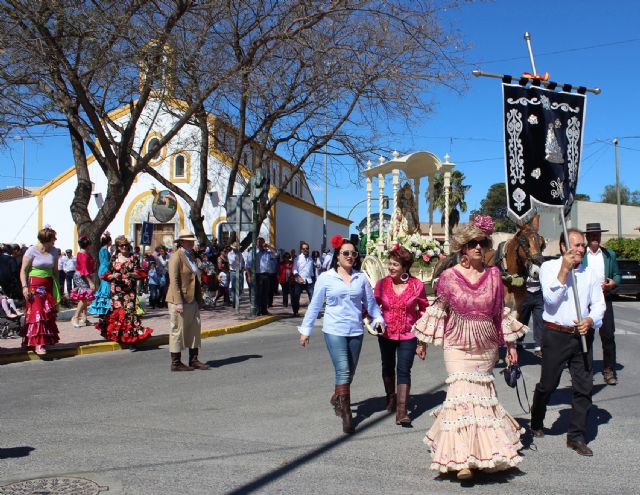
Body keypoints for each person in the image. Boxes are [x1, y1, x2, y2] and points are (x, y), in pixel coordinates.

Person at [412, 218, 527, 480]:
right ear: (462, 248)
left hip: (486, 346)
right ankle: (461, 460)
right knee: (460, 398)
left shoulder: (494, 276)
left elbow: (499, 314)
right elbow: (439, 310)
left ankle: (480, 456)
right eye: (472, 243)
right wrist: (422, 341)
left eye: (481, 242)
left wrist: (511, 345)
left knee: (481, 402)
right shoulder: (449, 277)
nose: (478, 247)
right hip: (457, 346)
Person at [530, 228, 606, 457]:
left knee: (584, 387)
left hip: (581, 335)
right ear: (564, 247)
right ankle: (537, 418)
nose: (581, 249)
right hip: (555, 335)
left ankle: (576, 436)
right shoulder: (548, 268)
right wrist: (564, 269)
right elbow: (551, 300)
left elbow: (599, 304)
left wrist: (591, 320)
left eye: (583, 245)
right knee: (548, 385)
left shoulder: (590, 273)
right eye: (577, 245)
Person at [298, 235, 383, 434]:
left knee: (350, 371)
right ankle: (346, 415)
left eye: (353, 253)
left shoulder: (361, 278)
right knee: (343, 369)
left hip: (355, 330)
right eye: (346, 253)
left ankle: (337, 396)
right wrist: (305, 330)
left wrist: (378, 318)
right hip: (334, 329)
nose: (350, 256)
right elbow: (315, 305)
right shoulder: (326, 278)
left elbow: (370, 304)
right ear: (337, 256)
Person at [374, 245, 429, 426]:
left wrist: (422, 340)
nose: (390, 267)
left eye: (395, 264)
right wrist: (371, 321)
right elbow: (373, 307)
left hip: (409, 334)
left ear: (405, 267)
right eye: (389, 263)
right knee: (387, 366)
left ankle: (402, 411)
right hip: (386, 334)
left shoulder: (416, 285)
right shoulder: (382, 284)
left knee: (404, 370)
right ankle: (391, 397)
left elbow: (424, 311)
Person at [582, 222, 620, 385]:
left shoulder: (609, 254)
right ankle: (585, 371)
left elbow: (618, 275)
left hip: (604, 299)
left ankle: (609, 370)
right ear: (587, 237)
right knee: (585, 336)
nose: (595, 237)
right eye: (592, 235)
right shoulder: (581, 254)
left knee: (608, 336)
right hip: (586, 301)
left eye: (598, 234)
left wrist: (613, 283)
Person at [166, 229, 209, 371]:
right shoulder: (176, 257)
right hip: (180, 299)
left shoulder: (190, 255)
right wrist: (178, 302)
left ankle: (194, 359)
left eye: (192, 240)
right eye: (189, 240)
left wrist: (199, 298)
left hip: (192, 299)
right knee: (177, 331)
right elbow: (174, 281)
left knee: (194, 329)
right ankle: (176, 362)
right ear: (182, 242)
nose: (192, 243)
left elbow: (195, 277)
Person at [96, 235, 153, 345]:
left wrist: (132, 274)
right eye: (122, 246)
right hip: (116, 290)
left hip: (129, 290)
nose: (124, 247)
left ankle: (131, 339)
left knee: (129, 312)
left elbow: (141, 274)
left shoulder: (133, 258)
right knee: (118, 313)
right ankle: (119, 336)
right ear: (118, 247)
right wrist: (113, 276)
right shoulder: (114, 258)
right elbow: (107, 275)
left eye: (126, 245)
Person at [20, 226, 61, 355]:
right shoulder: (31, 251)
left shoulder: (54, 251)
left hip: (48, 284)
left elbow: (55, 270)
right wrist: (24, 287)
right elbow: (23, 270)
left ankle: (31, 340)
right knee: (36, 313)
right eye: (53, 238)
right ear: (46, 239)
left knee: (46, 312)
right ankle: (38, 344)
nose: (55, 240)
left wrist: (57, 286)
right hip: (34, 286)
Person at [70, 235, 96, 327]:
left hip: (82, 276)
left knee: (84, 298)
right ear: (88, 245)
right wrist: (90, 282)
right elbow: (84, 271)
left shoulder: (83, 253)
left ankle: (84, 318)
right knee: (84, 297)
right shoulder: (83, 255)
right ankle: (75, 317)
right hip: (82, 277)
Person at [246, 237, 276, 316]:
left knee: (265, 293)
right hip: (257, 275)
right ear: (256, 243)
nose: (260, 244)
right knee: (258, 293)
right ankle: (257, 310)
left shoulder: (268, 252)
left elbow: (276, 253)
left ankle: (264, 310)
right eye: (259, 242)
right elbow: (248, 265)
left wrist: (268, 246)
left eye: (262, 242)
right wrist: (249, 276)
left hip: (266, 275)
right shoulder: (253, 252)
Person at [88, 233, 112, 317]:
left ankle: (104, 308)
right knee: (106, 288)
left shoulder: (103, 249)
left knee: (104, 287)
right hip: (105, 269)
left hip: (103, 268)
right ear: (109, 241)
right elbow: (106, 262)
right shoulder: (104, 250)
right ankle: (104, 308)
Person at [292, 241, 314, 316]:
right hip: (299, 280)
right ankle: (295, 311)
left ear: (308, 249)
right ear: (301, 250)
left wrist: (314, 279)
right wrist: (298, 277)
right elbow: (294, 269)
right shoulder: (297, 258)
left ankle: (312, 312)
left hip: (309, 280)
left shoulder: (311, 259)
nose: (305, 250)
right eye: (303, 249)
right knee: (296, 296)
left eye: (306, 248)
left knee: (312, 296)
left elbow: (311, 271)